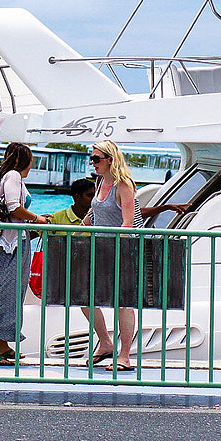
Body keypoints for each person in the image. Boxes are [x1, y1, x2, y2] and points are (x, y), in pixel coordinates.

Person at [0, 142, 49, 365]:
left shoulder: (6, 177)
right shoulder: (13, 177)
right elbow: (13, 207)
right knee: (4, 295)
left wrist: (33, 219)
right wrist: (37, 218)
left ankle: (2, 344)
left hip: (10, 242)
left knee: (10, 295)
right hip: (7, 246)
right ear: (24, 161)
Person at [85, 139, 139, 371]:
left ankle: (125, 355)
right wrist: (77, 229)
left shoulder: (123, 185)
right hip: (101, 249)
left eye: (97, 159)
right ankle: (106, 343)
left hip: (121, 250)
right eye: (92, 158)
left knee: (123, 304)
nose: (93, 163)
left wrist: (116, 247)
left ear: (110, 160)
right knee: (85, 299)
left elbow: (129, 223)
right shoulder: (101, 182)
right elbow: (94, 213)